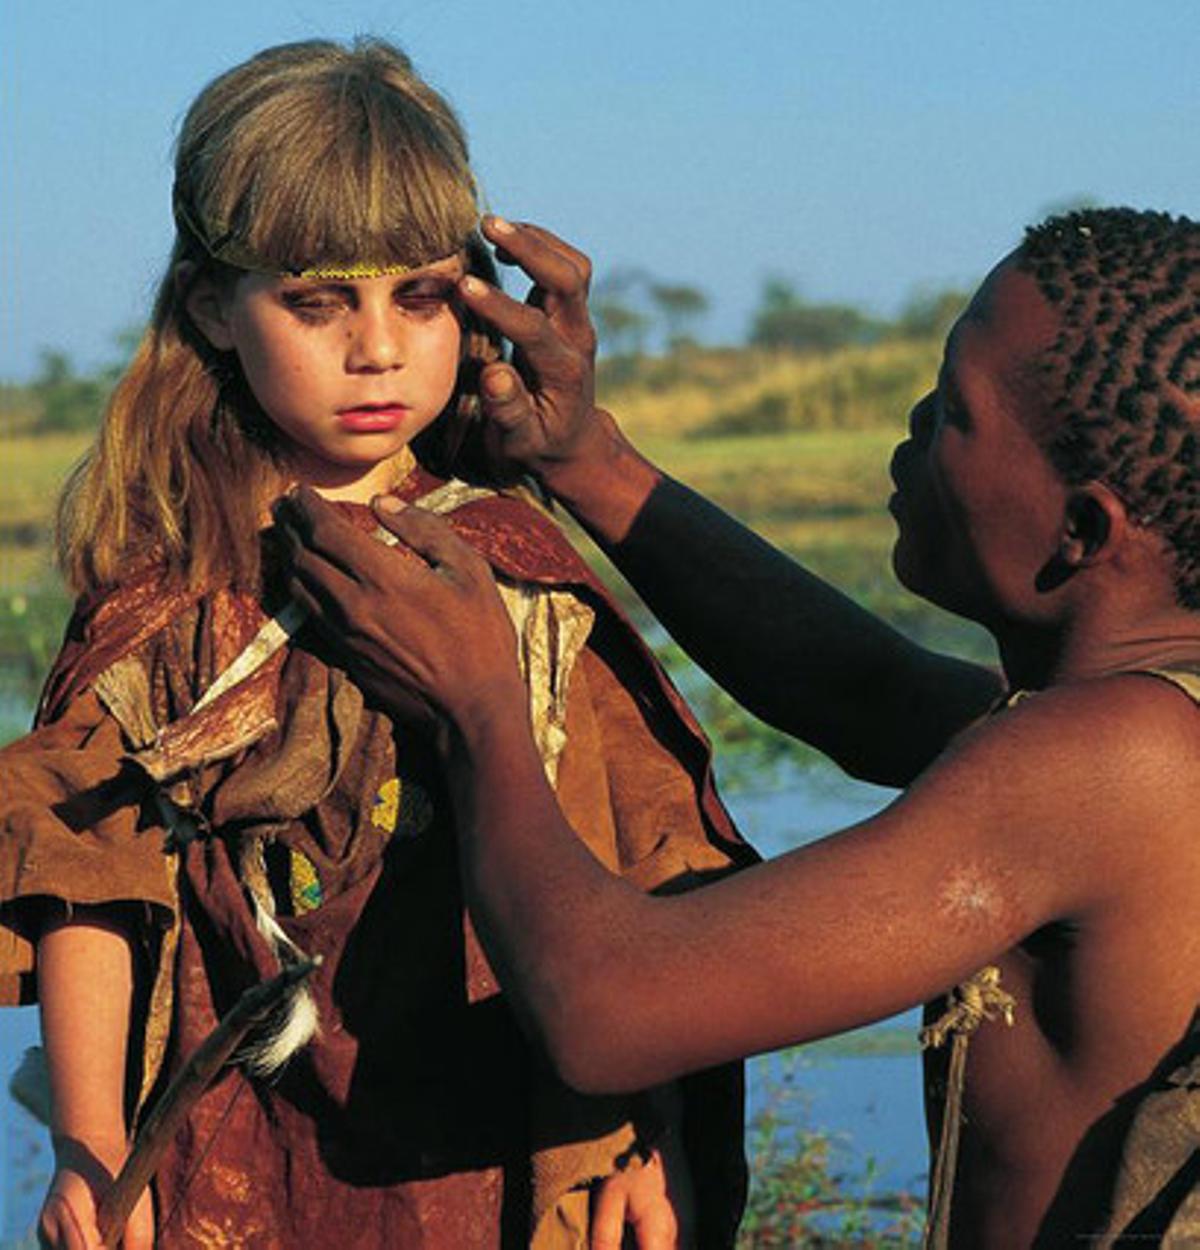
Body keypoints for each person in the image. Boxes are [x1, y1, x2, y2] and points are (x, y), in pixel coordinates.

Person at [276, 207, 1200, 1247]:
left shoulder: (1112, 761)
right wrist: (585, 459)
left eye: (956, 411)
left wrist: (477, 705)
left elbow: (607, 1008)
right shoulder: (1134, 724)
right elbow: (861, 689)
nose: (916, 418)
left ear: (1081, 529)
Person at [0, 39, 757, 1250]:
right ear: (210, 306)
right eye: (317, 301)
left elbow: (638, 864)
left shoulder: (515, 565)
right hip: (231, 1158)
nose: (378, 349)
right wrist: (91, 1146)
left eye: (420, 295)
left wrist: (640, 1132)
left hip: (502, 1138)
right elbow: (86, 882)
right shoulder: (163, 598)